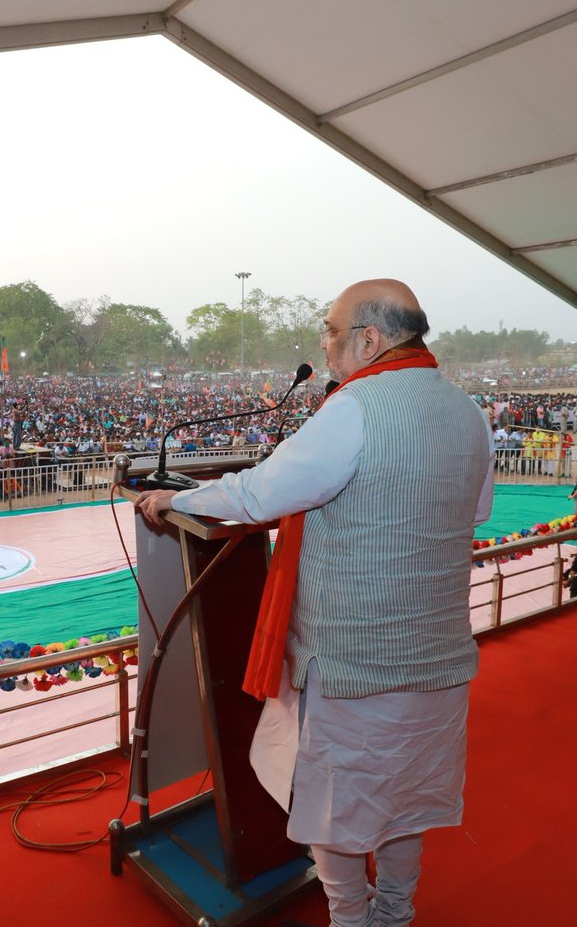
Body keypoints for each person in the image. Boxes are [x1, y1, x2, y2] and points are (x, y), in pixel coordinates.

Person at [137, 279, 493, 927]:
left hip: (353, 668)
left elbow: (256, 496)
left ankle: (352, 919)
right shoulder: (467, 413)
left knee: (337, 808)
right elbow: (474, 510)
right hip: (439, 663)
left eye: (331, 332)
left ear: (369, 339)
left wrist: (174, 499)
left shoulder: (353, 410)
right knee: (404, 803)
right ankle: (396, 914)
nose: (325, 346)